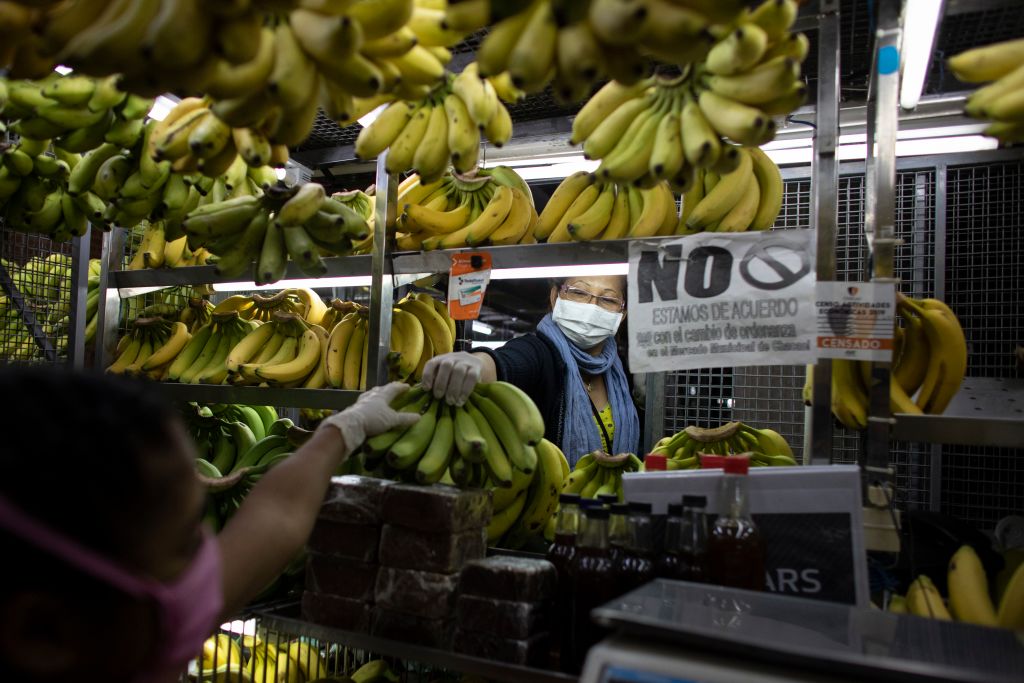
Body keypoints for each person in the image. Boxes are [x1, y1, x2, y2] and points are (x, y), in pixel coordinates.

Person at [0, 367, 418, 683]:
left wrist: (347, 426)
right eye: (184, 545)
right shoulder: (139, 625)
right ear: (43, 632)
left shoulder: (117, 625)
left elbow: (277, 514)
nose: (211, 560)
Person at [422, 275, 640, 466]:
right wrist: (477, 364)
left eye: (608, 299)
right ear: (556, 297)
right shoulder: (538, 352)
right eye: (579, 292)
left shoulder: (620, 374)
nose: (592, 305)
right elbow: (508, 362)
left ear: (622, 314)